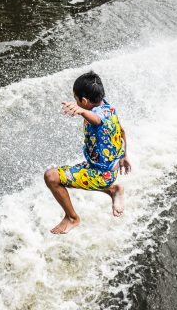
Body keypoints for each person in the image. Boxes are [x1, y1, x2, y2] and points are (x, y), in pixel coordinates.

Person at [44, 71, 132, 235]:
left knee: (51, 177)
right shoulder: (108, 109)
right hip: (103, 167)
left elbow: (96, 119)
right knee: (73, 178)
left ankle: (72, 218)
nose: (76, 102)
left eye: (77, 99)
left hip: (100, 174)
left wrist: (81, 111)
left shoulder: (96, 116)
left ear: (84, 101)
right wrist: (125, 156)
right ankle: (113, 190)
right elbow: (121, 131)